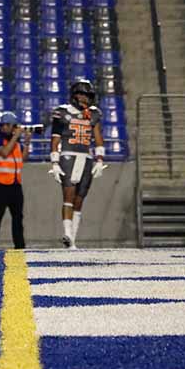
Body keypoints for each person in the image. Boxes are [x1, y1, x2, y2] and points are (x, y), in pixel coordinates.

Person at [49, 79, 106, 249]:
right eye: (82, 95)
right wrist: (55, 162)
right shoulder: (62, 112)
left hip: (86, 158)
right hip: (68, 156)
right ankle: (67, 233)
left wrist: (100, 159)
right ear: (74, 95)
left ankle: (72, 239)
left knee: (80, 199)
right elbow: (55, 139)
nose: (85, 99)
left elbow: (97, 138)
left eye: (88, 96)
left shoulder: (93, 114)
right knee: (68, 196)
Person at [0, 112, 31, 250]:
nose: (7, 128)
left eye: (11, 126)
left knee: (18, 218)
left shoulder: (16, 144)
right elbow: (4, 152)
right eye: (5, 125)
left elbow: (23, 160)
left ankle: (20, 246)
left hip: (15, 185)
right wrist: (16, 136)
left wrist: (27, 143)